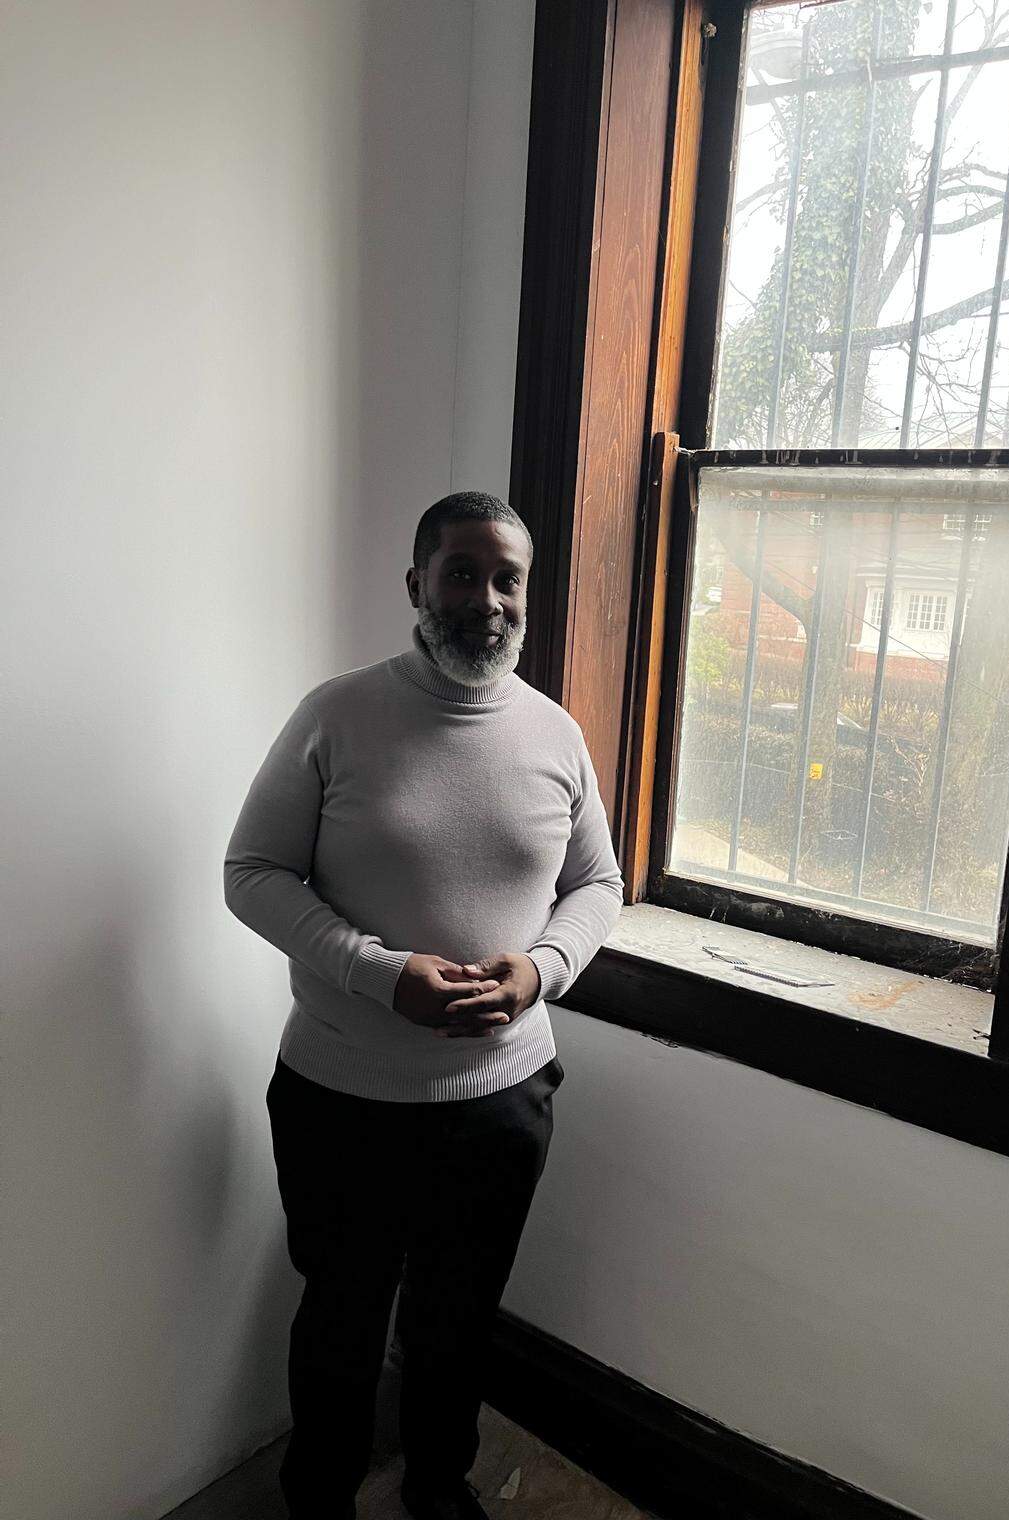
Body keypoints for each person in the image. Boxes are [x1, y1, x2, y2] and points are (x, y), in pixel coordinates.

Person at [223, 491, 624, 1520]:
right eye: (460, 572)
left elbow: (598, 885)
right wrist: (376, 967)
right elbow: (253, 870)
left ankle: (439, 1486)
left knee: (460, 1322)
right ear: (415, 584)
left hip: (502, 1099)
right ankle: (318, 1493)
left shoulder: (556, 733)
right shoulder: (337, 714)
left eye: (507, 578)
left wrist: (541, 968)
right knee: (343, 1320)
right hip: (342, 1095)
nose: (485, 598)